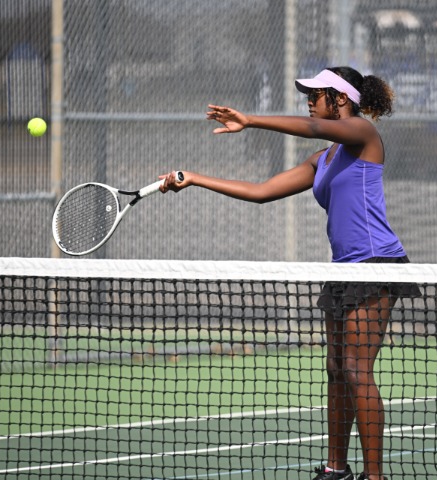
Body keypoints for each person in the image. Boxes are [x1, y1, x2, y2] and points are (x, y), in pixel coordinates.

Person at [159, 66, 419, 480]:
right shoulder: (323, 160)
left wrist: (250, 120)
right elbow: (261, 192)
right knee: (337, 370)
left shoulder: (364, 134)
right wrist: (194, 179)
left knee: (356, 370)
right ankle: (336, 469)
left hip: (376, 263)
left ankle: (375, 478)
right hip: (344, 269)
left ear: (340, 98)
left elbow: (313, 128)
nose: (309, 101)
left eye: (316, 94)